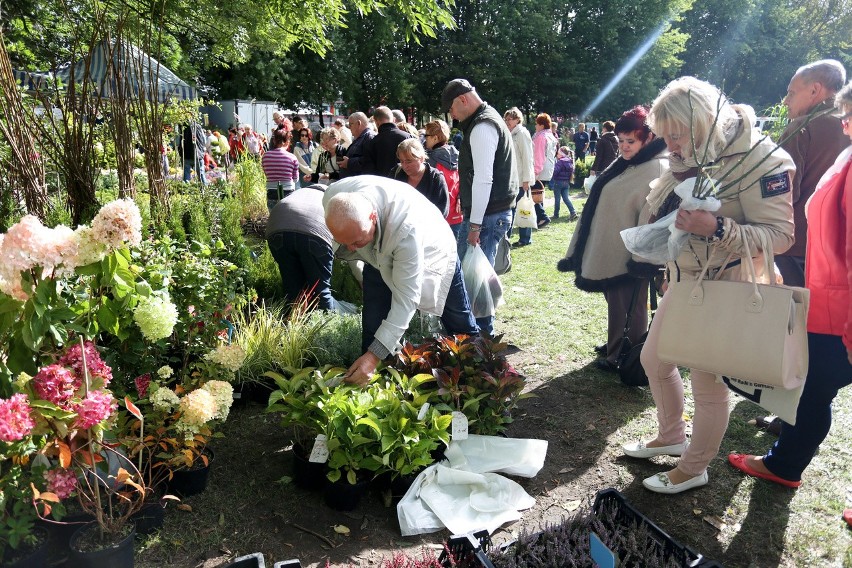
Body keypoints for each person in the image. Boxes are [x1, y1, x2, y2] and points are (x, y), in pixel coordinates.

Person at [621, 77, 795, 494]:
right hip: (686, 279)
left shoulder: (763, 160)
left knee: (706, 380)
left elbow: (782, 236)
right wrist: (670, 267)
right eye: (666, 138)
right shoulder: (696, 152)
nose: (671, 147)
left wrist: (718, 227)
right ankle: (671, 435)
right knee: (654, 359)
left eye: (675, 136)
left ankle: (694, 466)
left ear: (701, 123)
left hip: (725, 284)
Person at [727, 82, 852, 495]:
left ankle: (784, 464)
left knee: (814, 390)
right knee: (813, 389)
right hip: (829, 297)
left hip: (841, 312)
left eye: (849, 117)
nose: (845, 126)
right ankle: (784, 462)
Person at [323, 176, 479, 385]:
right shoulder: (334, 197)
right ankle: (371, 384)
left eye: (356, 241)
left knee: (458, 322)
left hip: (434, 248)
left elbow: (406, 301)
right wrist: (373, 352)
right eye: (346, 243)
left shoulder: (406, 231)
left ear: (372, 216)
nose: (352, 248)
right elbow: (353, 240)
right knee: (373, 322)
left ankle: (481, 376)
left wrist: (373, 356)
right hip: (379, 252)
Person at [558, 106, 667, 371]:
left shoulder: (654, 167)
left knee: (629, 304)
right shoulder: (632, 162)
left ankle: (624, 354)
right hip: (614, 244)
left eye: (631, 141)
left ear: (648, 138)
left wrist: (641, 260)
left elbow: (650, 216)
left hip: (628, 251)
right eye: (621, 141)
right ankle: (616, 343)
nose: (624, 146)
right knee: (618, 302)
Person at [441, 78, 516, 335]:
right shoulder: (486, 118)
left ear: (463, 99)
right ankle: (479, 337)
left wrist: (474, 224)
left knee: (473, 282)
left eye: (450, 107)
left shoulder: (483, 125)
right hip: (490, 212)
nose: (451, 114)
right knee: (474, 280)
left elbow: (485, 178)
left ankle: (481, 339)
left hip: (488, 216)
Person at [774, 59, 847, 288]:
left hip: (797, 247)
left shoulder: (801, 127)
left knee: (794, 317)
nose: (786, 101)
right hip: (842, 247)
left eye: (792, 93)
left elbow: (782, 195)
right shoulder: (847, 125)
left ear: (815, 90)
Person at [266, 184, 342, 312]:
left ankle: (293, 323)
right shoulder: (331, 199)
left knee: (293, 289)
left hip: (277, 230)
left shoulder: (298, 193)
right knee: (321, 292)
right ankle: (327, 327)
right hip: (316, 235)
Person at [425, 120, 464, 251]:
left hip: (439, 213)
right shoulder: (458, 155)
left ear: (435, 137)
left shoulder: (430, 160)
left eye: (426, 136)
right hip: (456, 211)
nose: (425, 140)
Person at [503, 107, 535, 248]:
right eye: (506, 119)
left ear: (517, 119)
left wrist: (526, 180)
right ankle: (509, 237)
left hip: (522, 179)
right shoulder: (510, 133)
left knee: (523, 207)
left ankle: (525, 238)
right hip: (512, 178)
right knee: (513, 208)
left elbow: (528, 157)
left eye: (510, 118)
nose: (507, 121)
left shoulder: (522, 133)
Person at [391, 138, 449, 216]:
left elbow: (442, 211)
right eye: (401, 161)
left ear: (421, 158)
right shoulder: (396, 172)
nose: (404, 166)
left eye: (409, 161)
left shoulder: (435, 178)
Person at [364, 106, 411, 178]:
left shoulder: (372, 143)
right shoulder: (408, 137)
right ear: (394, 119)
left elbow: (369, 170)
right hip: (405, 183)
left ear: (376, 122)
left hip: (382, 184)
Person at [261, 129, 300, 210]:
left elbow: (266, 173)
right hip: (288, 191)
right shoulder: (292, 157)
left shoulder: (265, 156)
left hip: (271, 191)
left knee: (273, 217)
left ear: (274, 141)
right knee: (285, 217)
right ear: (287, 142)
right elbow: (295, 180)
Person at [532, 113, 556, 228]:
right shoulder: (551, 136)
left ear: (541, 125)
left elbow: (538, 155)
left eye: (537, 123)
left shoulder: (540, 137)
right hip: (548, 169)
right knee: (538, 194)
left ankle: (542, 217)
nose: (535, 126)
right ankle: (539, 219)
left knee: (533, 194)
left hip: (540, 170)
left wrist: (535, 171)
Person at [338, 112, 374, 177]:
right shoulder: (360, 138)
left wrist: (349, 163)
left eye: (350, 124)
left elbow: (369, 161)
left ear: (358, 123)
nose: (349, 127)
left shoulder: (369, 137)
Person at [550, 146, 577, 221]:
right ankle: (573, 211)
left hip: (558, 182)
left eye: (558, 153)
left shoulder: (560, 162)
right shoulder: (570, 161)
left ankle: (556, 215)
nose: (557, 155)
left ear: (561, 154)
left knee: (557, 199)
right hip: (566, 183)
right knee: (566, 198)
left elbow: (555, 172)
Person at [180, 120, 207, 185]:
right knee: (201, 174)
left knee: (186, 174)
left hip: (186, 154)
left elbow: (179, 142)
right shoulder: (198, 126)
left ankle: (187, 191)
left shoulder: (183, 128)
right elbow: (204, 140)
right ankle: (204, 189)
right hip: (198, 154)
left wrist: (180, 151)